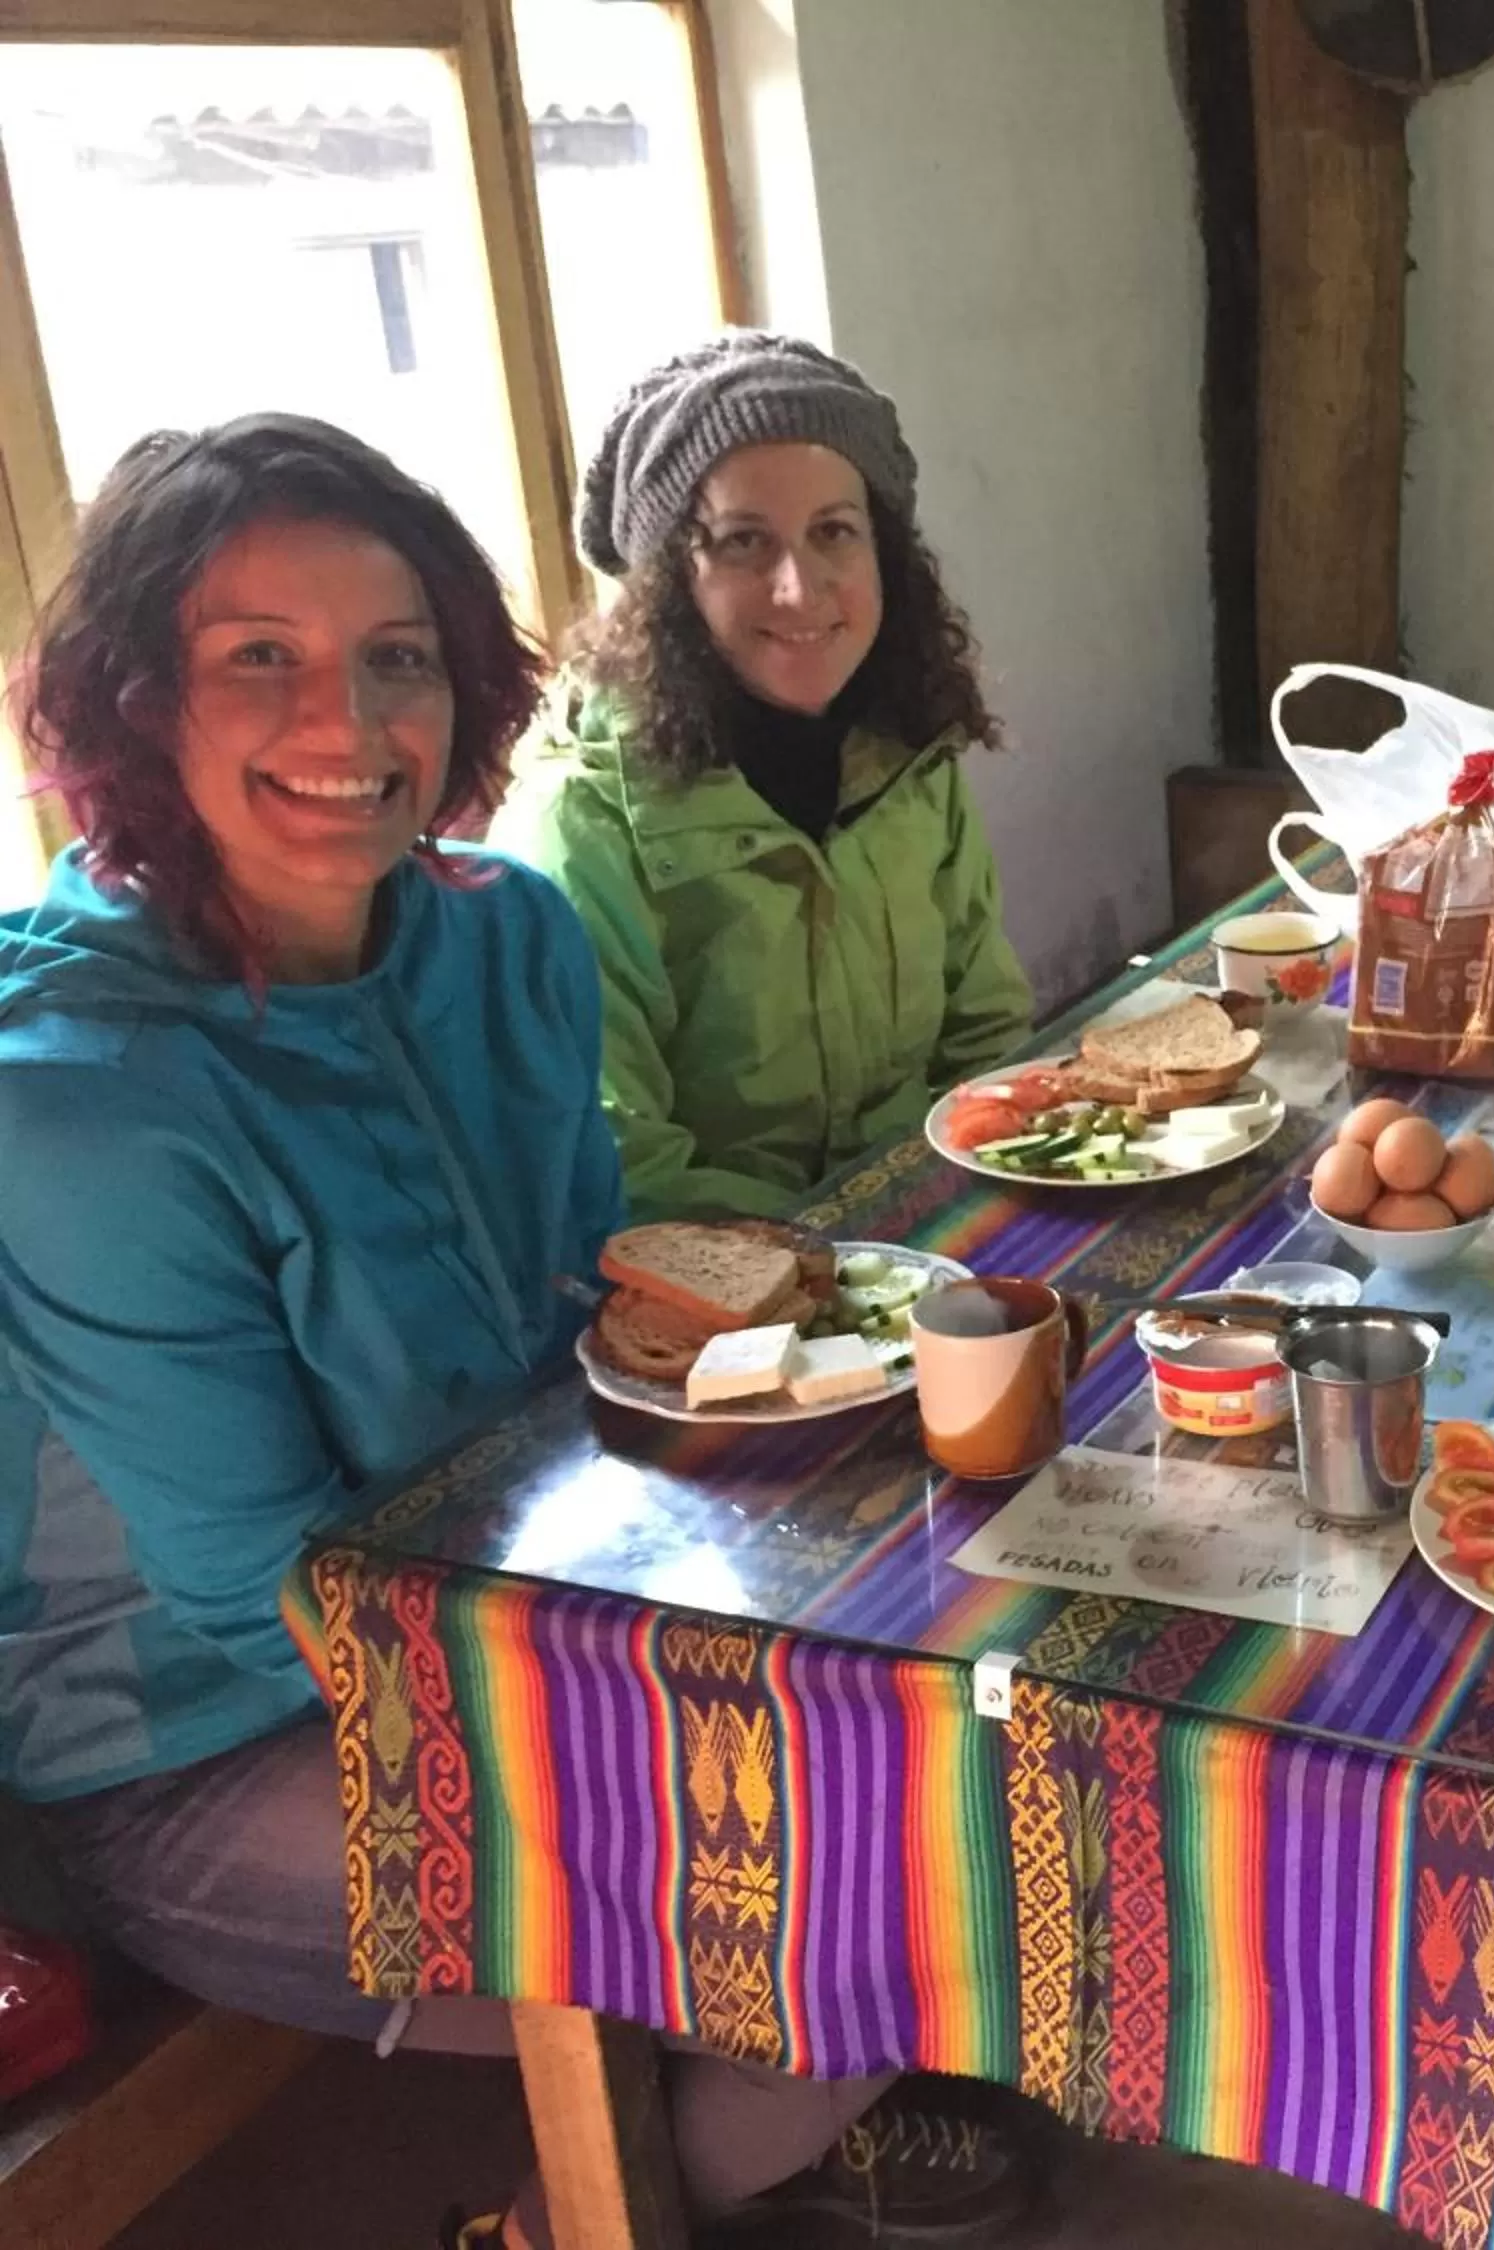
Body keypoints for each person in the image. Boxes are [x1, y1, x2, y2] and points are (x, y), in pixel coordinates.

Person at [0, 415, 1021, 2250]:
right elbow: (262, 1595)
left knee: (982, 1760)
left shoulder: (505, 939)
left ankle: (718, 2117)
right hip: (223, 1738)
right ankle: (589, 2211)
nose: (349, 724)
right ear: (136, 700)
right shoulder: (74, 1097)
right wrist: (694, 1749)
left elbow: (597, 1336)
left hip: (539, 1598)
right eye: (259, 661)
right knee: (907, 1907)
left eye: (398, 659)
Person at [491, 331, 1034, 1223]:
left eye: (835, 533)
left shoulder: (905, 757)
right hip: (729, 1291)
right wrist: (847, 1252)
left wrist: (974, 1196)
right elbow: (618, 1159)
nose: (799, 587)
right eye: (743, 542)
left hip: (927, 1219)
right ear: (670, 581)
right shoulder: (580, 823)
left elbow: (985, 1029)